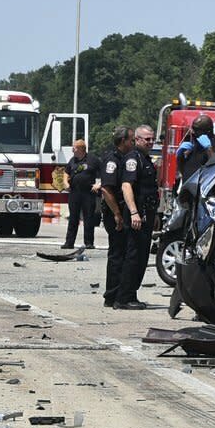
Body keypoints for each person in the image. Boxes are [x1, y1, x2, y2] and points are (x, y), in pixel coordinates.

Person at [114, 125, 160, 308]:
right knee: (133, 257)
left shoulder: (146, 159)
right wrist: (133, 212)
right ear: (137, 140)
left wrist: (154, 214)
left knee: (141, 257)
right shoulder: (133, 159)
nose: (150, 142)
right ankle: (123, 298)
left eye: (152, 139)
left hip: (147, 215)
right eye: (146, 139)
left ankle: (131, 295)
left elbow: (151, 190)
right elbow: (127, 186)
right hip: (136, 215)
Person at [96, 127, 134, 308]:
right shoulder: (112, 159)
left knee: (123, 253)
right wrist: (117, 214)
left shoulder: (124, 158)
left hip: (121, 210)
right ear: (122, 141)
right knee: (117, 254)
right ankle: (111, 295)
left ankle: (120, 293)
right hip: (115, 212)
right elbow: (106, 189)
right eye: (131, 140)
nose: (132, 143)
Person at [62, 138, 97, 249]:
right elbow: (66, 173)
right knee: (73, 218)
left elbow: (103, 171)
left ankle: (89, 243)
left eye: (74, 148)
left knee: (89, 218)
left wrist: (99, 184)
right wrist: (65, 183)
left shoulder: (92, 159)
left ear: (81, 149)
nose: (72, 149)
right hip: (74, 193)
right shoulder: (73, 160)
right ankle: (69, 243)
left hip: (88, 193)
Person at [175, 115, 215, 184]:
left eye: (196, 129)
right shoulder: (192, 146)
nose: (192, 132)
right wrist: (180, 155)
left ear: (208, 132)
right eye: (192, 128)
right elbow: (182, 172)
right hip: (188, 188)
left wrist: (209, 149)